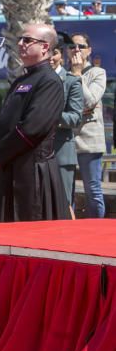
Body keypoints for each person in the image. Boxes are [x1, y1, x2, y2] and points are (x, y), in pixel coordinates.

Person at [0, 24, 68, 221]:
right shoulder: (20, 81)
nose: (20, 43)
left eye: (27, 40)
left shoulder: (50, 82)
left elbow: (32, 128)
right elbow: (2, 120)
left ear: (45, 47)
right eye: (20, 39)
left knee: (28, 235)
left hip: (32, 174)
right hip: (9, 168)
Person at [69, 32, 108, 217]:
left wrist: (78, 74)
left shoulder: (98, 73)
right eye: (72, 46)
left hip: (90, 142)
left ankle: (96, 232)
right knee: (66, 192)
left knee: (93, 191)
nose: (76, 49)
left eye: (81, 46)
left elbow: (89, 101)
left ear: (89, 50)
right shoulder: (62, 74)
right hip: (66, 141)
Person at [49, 39, 84, 211]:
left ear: (61, 56)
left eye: (54, 53)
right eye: (47, 53)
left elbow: (75, 118)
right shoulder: (34, 80)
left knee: (64, 204)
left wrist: (50, 115)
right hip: (37, 155)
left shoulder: (71, 81)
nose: (50, 58)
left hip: (61, 153)